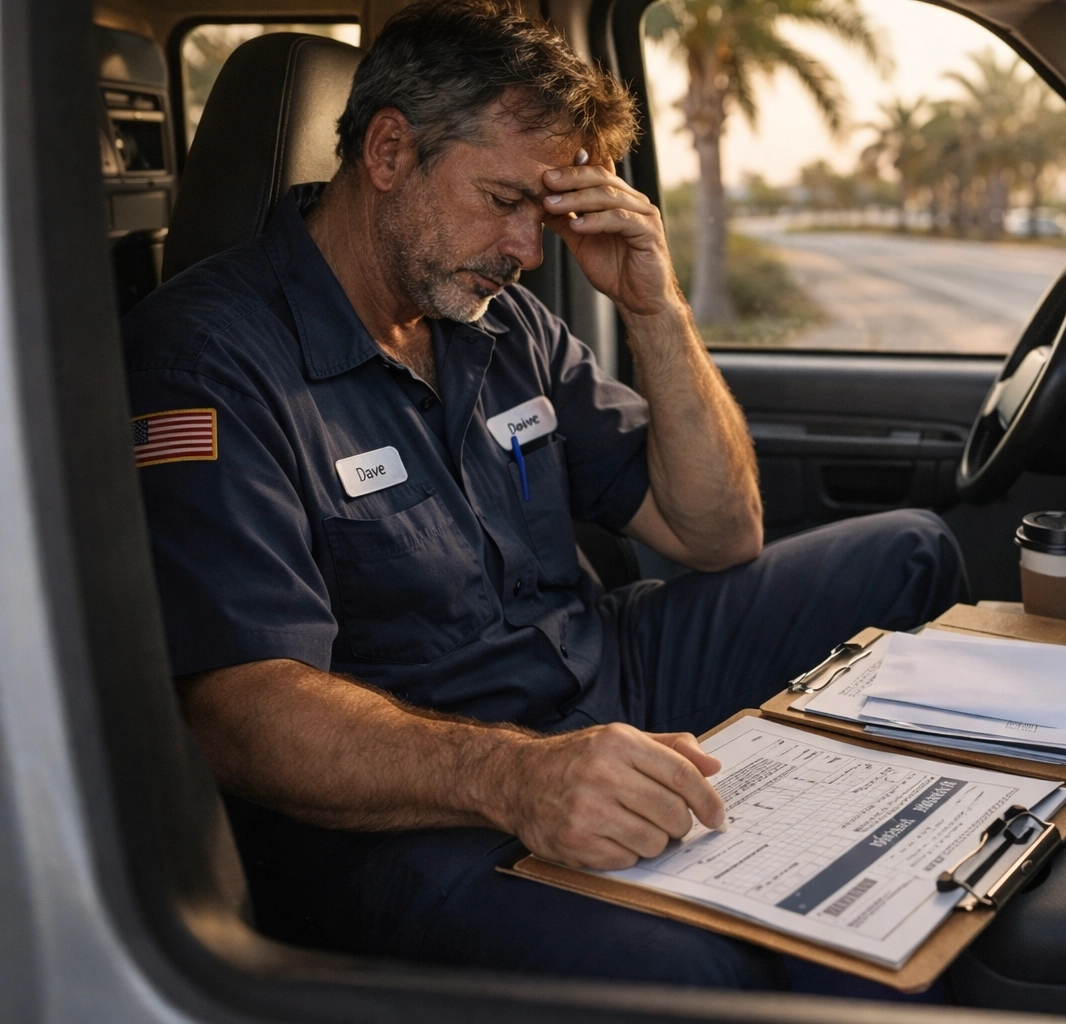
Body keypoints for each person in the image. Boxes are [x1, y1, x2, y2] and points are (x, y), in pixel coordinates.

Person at [124, 0, 967, 990]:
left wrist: (655, 308)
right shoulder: (209, 360)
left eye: (551, 210)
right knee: (689, 970)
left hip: (599, 674)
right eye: (505, 200)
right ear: (390, 151)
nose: (530, 247)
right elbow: (241, 712)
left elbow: (718, 532)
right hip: (420, 800)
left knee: (913, 550)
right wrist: (518, 775)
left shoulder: (504, 325)